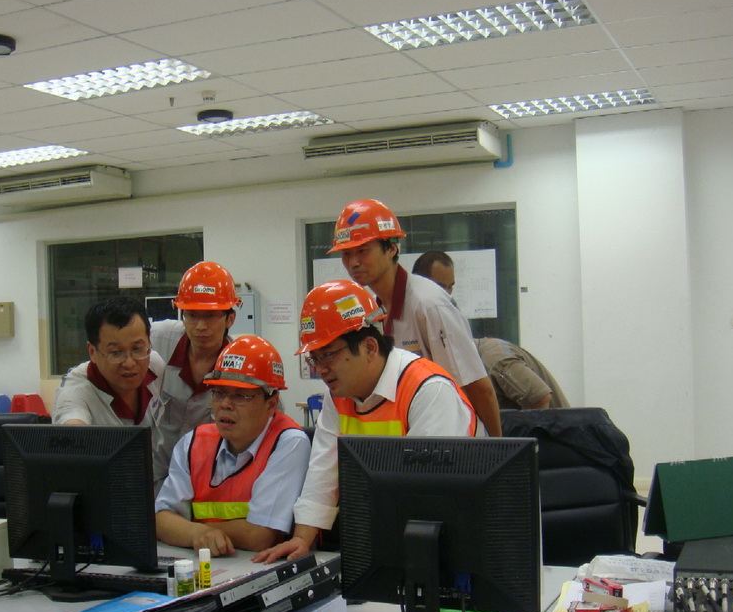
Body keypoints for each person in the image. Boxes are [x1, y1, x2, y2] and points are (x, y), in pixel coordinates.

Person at [254, 280, 477, 563]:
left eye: (328, 355)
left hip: (443, 545)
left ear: (370, 347)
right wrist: (301, 539)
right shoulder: (339, 396)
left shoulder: (428, 390)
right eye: (314, 358)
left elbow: (428, 494)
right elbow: (323, 472)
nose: (320, 369)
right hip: (384, 540)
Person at [330, 199, 502, 436]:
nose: (353, 263)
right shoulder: (373, 312)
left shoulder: (429, 305)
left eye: (363, 251)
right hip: (414, 432)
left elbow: (478, 387)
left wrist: (496, 449)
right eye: (346, 254)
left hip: (454, 439)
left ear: (391, 248)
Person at [155, 335, 310, 556]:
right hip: (203, 563)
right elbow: (161, 520)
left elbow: (260, 536)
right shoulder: (193, 443)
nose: (225, 405)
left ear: (271, 404)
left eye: (240, 396)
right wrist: (197, 533)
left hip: (256, 565)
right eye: (219, 393)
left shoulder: (288, 442)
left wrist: (186, 528)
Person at [412, 250, 569, 410]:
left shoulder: (494, 359)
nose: (446, 295)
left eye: (450, 287)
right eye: (440, 287)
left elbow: (540, 398)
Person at [148, 261, 240, 490]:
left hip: (208, 482)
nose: (200, 326)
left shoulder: (241, 364)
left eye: (210, 316)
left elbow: (270, 421)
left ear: (230, 318)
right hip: (154, 476)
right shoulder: (157, 340)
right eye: (191, 315)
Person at [53, 296, 163, 426]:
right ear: (92, 352)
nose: (129, 363)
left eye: (137, 349)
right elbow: (72, 425)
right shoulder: (75, 393)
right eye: (116, 352)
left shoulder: (154, 366)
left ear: (149, 342)